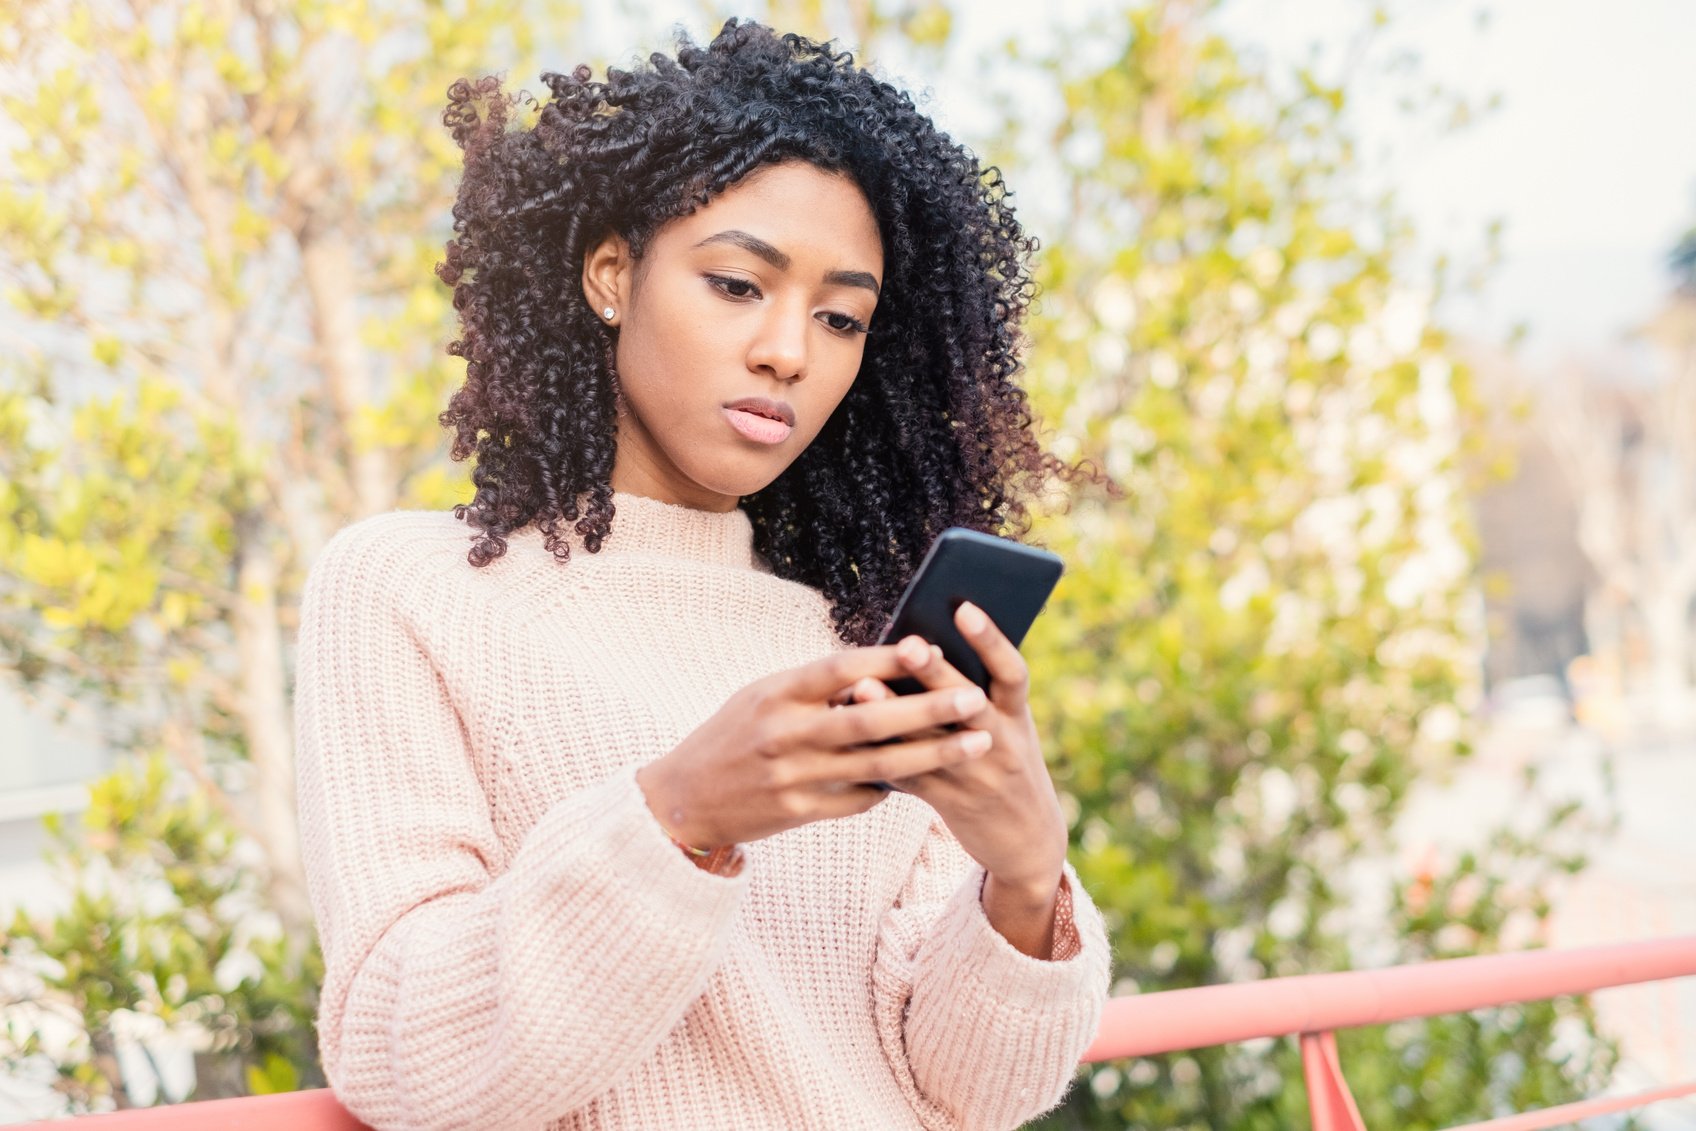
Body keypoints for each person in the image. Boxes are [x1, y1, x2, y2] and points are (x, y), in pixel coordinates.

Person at [294, 18, 1111, 1131]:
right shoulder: (408, 589)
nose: (790, 350)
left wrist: (1021, 883)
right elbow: (406, 1057)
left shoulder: (854, 635)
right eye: (738, 284)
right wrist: (679, 815)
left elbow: (974, 1094)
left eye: (840, 317)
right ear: (611, 274)